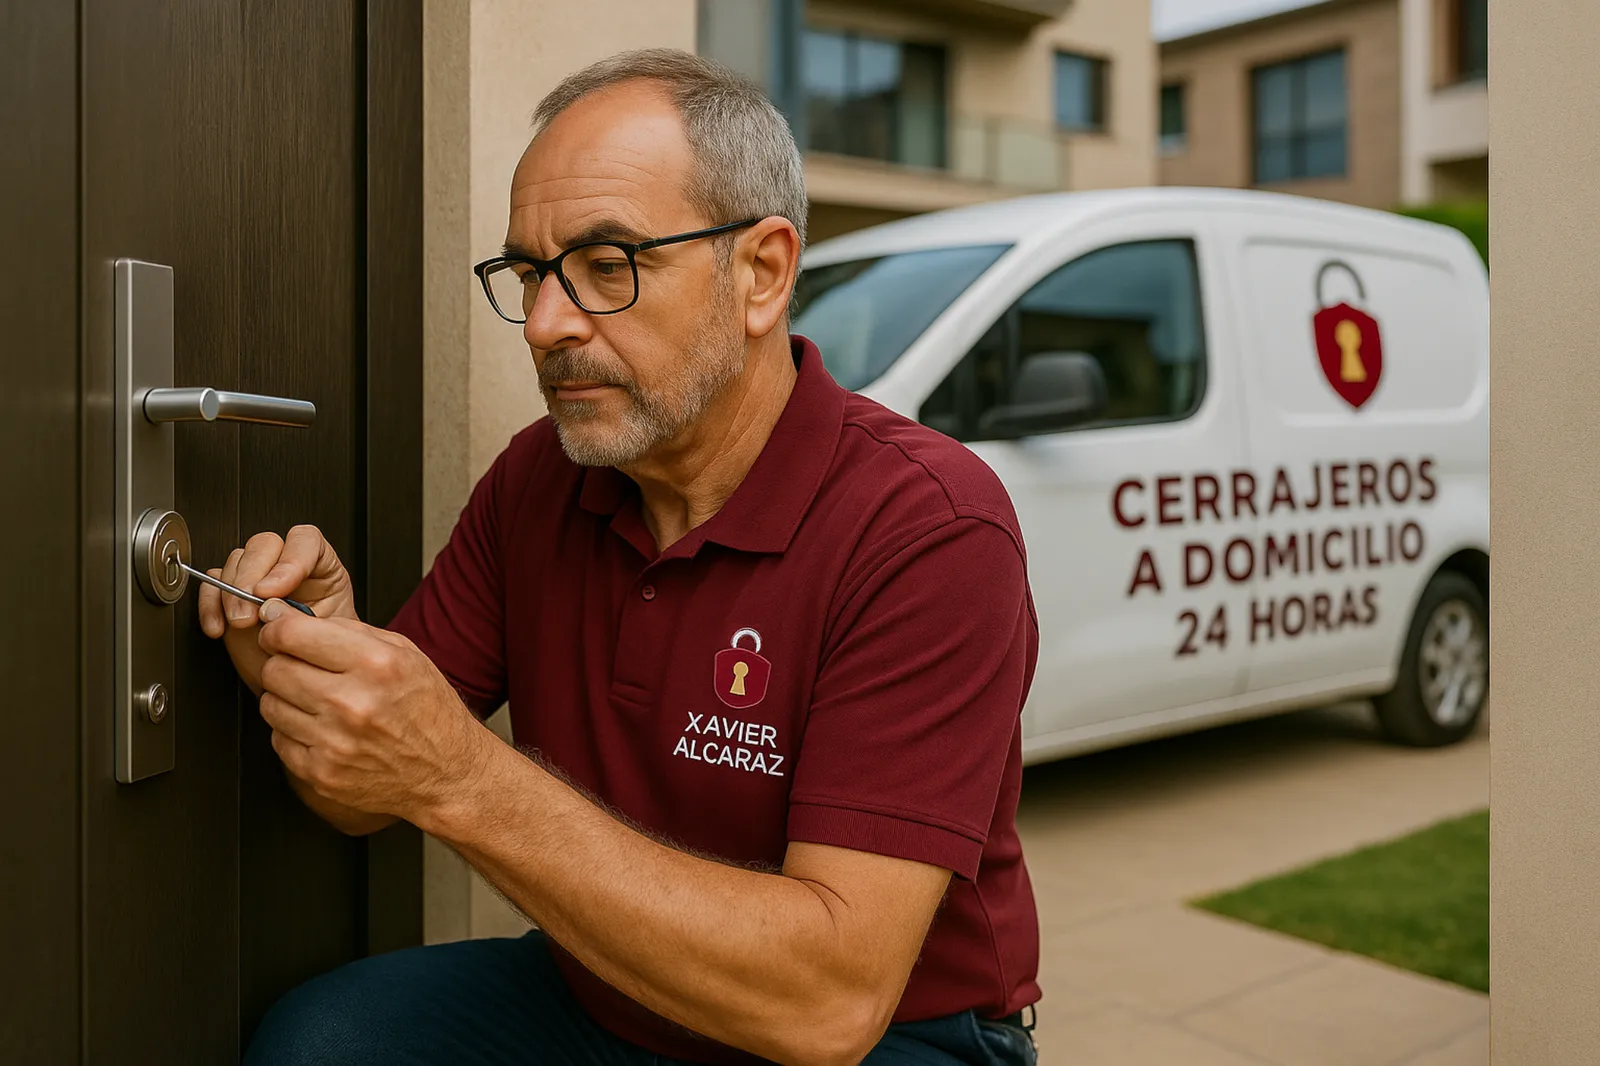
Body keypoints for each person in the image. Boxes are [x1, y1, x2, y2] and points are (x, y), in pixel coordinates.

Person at [205, 48, 1041, 1066]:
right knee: (319, 1042)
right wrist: (310, 661)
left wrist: (461, 778)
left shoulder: (928, 526)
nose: (549, 325)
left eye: (608, 266)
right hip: (604, 994)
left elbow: (824, 1006)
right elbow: (357, 795)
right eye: (529, 274)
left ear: (762, 273)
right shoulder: (538, 482)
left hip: (889, 1035)